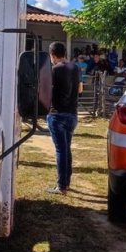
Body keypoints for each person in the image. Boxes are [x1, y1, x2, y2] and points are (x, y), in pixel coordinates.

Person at [46, 41, 83, 194]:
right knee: (66, 149)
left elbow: (47, 92)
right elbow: (80, 89)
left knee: (61, 150)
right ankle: (66, 182)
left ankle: (61, 185)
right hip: (72, 114)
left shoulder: (54, 70)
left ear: (52, 55)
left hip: (57, 114)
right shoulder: (75, 68)